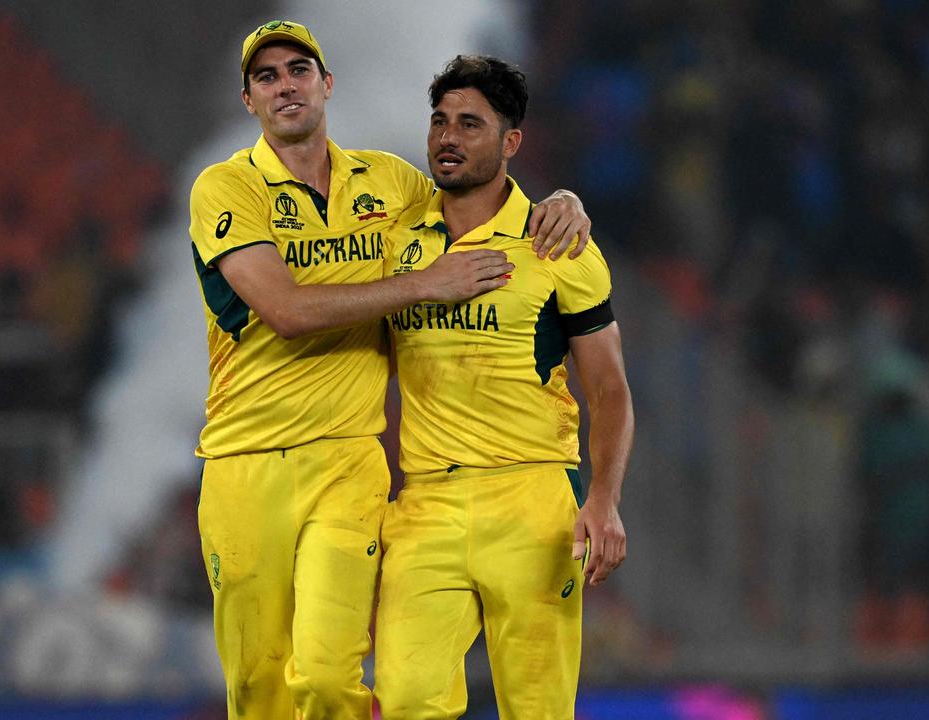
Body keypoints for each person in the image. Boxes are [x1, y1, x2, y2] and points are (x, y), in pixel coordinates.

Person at [188, 20, 592, 720]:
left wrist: (560, 204)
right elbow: (284, 309)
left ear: (327, 85)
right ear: (248, 99)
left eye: (299, 71)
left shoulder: (393, 183)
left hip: (349, 464)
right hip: (243, 463)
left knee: (324, 679)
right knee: (257, 688)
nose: (285, 85)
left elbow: (481, 199)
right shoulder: (225, 190)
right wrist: (419, 285)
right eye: (266, 76)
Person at [374, 55, 634, 719]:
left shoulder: (557, 243)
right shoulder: (397, 239)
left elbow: (608, 390)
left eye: (469, 123)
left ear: (511, 142)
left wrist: (603, 499)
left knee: (538, 708)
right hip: (427, 499)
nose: (448, 137)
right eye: (439, 121)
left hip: (533, 501)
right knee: (404, 699)